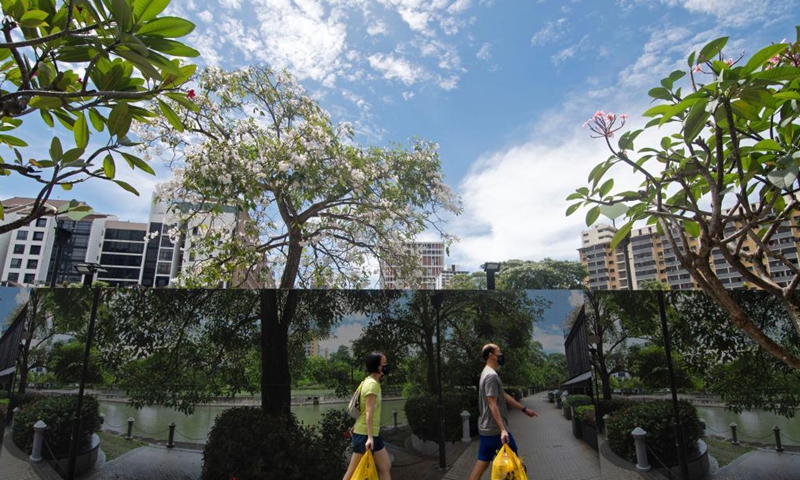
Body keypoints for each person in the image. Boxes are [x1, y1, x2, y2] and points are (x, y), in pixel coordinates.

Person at [469, 343, 537, 480]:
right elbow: (492, 403)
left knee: (482, 463)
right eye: (498, 352)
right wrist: (503, 430)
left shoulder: (487, 373)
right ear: (491, 355)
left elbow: (503, 396)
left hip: (486, 430)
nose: (501, 355)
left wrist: (524, 409)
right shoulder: (491, 376)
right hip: (496, 431)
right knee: (514, 466)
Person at [343, 351, 392, 480]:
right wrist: (369, 437)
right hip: (366, 435)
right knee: (352, 471)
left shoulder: (368, 382)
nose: (386, 366)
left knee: (385, 466)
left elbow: (363, 408)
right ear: (376, 366)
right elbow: (369, 411)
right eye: (384, 363)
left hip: (370, 432)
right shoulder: (372, 385)